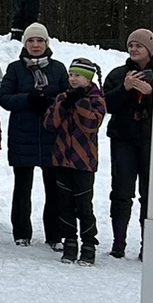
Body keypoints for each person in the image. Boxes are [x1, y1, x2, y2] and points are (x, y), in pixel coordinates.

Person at [100, 29, 153, 261]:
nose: (134, 49)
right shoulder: (118, 74)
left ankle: (149, 245)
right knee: (121, 192)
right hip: (123, 139)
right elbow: (106, 105)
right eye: (131, 45)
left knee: (150, 194)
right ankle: (118, 243)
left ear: (150, 50)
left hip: (152, 141)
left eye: (139, 46)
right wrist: (125, 88)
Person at [0, 25, 68, 247]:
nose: (35, 45)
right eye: (31, 41)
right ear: (25, 44)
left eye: (40, 41)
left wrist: (52, 101)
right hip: (22, 136)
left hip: (51, 136)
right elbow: (4, 97)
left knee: (54, 189)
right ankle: (21, 233)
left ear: (47, 44)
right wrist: (28, 99)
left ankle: (54, 235)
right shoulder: (16, 68)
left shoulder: (58, 69)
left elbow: (68, 97)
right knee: (22, 188)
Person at [44, 59, 108, 264]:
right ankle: (69, 242)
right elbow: (49, 123)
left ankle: (89, 244)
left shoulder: (96, 98)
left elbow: (92, 124)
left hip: (84, 161)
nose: (72, 79)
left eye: (77, 75)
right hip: (62, 159)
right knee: (65, 204)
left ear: (88, 78)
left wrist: (80, 102)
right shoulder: (63, 96)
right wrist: (64, 104)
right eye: (71, 75)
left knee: (84, 206)